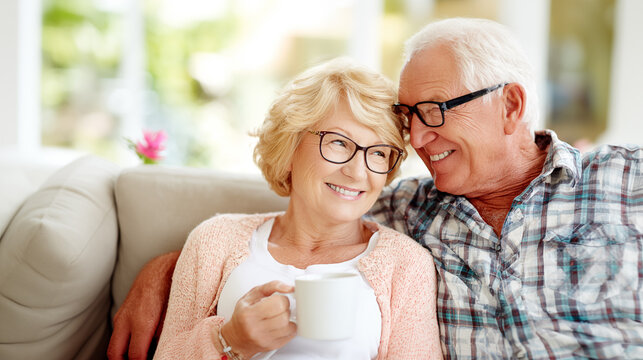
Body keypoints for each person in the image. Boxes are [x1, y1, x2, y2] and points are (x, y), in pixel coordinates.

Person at [108, 18, 643, 359]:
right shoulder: (413, 211)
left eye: (432, 111)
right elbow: (311, 225)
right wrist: (166, 270)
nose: (416, 136)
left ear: (511, 106)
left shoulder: (628, 182)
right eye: (409, 117)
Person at [150, 58, 441, 360]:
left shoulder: (407, 265)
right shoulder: (214, 241)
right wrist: (229, 341)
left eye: (379, 152)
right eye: (339, 143)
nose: (358, 172)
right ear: (290, 148)